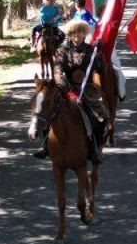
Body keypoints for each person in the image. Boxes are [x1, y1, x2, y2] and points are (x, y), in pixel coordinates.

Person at [33, 19, 110, 162]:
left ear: (84, 34)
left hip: (87, 90)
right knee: (47, 111)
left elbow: (101, 70)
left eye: (80, 32)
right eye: (74, 32)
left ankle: (96, 148)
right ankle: (46, 147)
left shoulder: (91, 50)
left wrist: (99, 55)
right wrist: (65, 88)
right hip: (66, 90)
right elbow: (58, 70)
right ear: (70, 34)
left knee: (103, 117)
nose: (77, 35)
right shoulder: (62, 51)